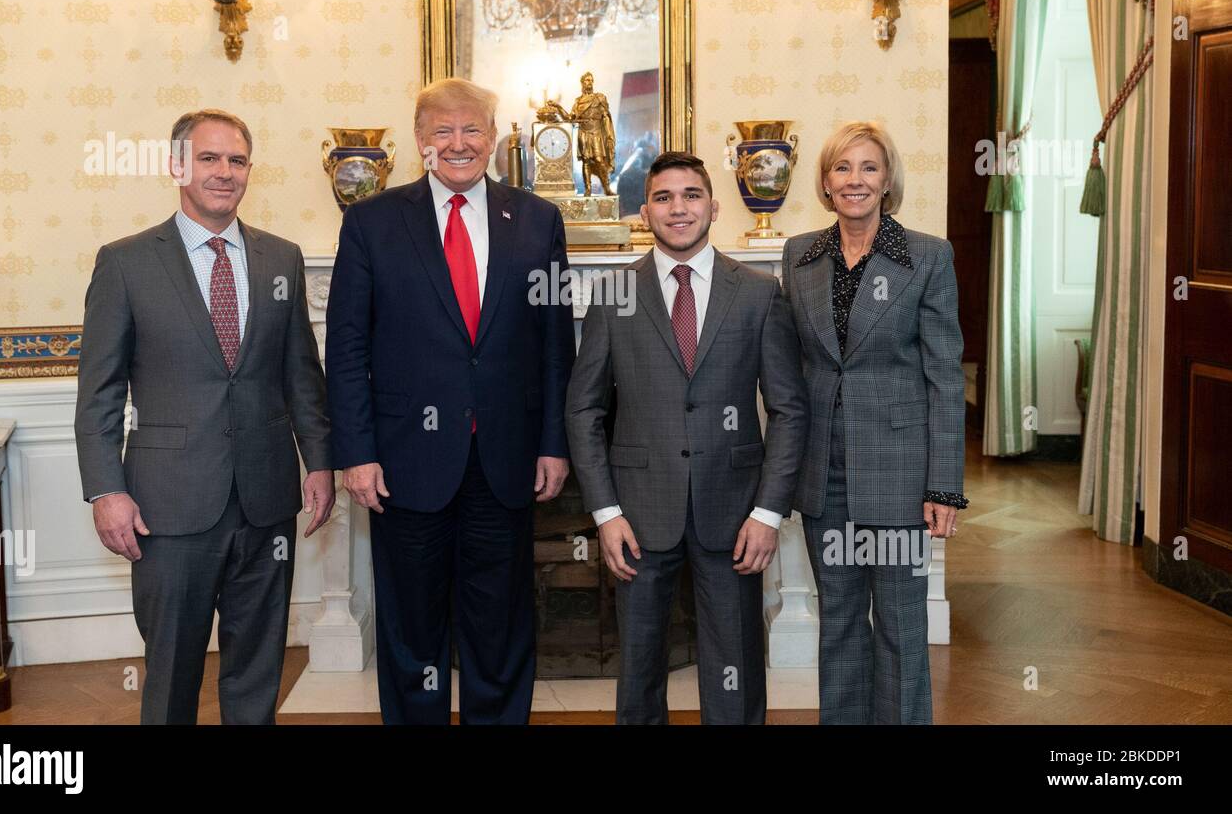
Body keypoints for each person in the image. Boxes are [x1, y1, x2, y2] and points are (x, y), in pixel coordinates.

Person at [325, 77, 574, 724]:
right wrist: (355, 453)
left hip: (507, 460)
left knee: (500, 626)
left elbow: (554, 346)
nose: (458, 143)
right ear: (420, 143)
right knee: (412, 630)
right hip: (404, 464)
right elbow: (347, 347)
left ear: (493, 139)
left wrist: (554, 443)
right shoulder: (372, 222)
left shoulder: (538, 220)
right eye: (443, 130)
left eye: (472, 129)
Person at [75, 109, 335, 724]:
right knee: (171, 672)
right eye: (209, 159)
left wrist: (321, 464)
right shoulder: (126, 262)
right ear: (177, 166)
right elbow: (99, 394)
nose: (225, 172)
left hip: (267, 499)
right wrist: (105, 491)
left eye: (237, 160)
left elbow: (303, 375)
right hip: (168, 506)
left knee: (258, 665)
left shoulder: (282, 259)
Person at [566, 151, 806, 724]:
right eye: (665, 198)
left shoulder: (756, 293)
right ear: (644, 212)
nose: (679, 208)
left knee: (735, 664)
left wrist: (768, 515)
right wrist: (605, 513)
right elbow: (584, 409)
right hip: (637, 514)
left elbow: (790, 410)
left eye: (691, 195)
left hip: (737, 513)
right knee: (640, 666)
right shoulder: (612, 294)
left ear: (713, 206)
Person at [781, 121, 966, 725]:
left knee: (900, 622)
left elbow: (944, 376)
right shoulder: (799, 255)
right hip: (824, 476)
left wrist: (943, 485)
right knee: (837, 618)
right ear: (826, 181)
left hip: (900, 478)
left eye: (868, 168)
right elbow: (791, 370)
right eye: (842, 168)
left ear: (888, 180)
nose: (854, 180)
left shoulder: (927, 256)